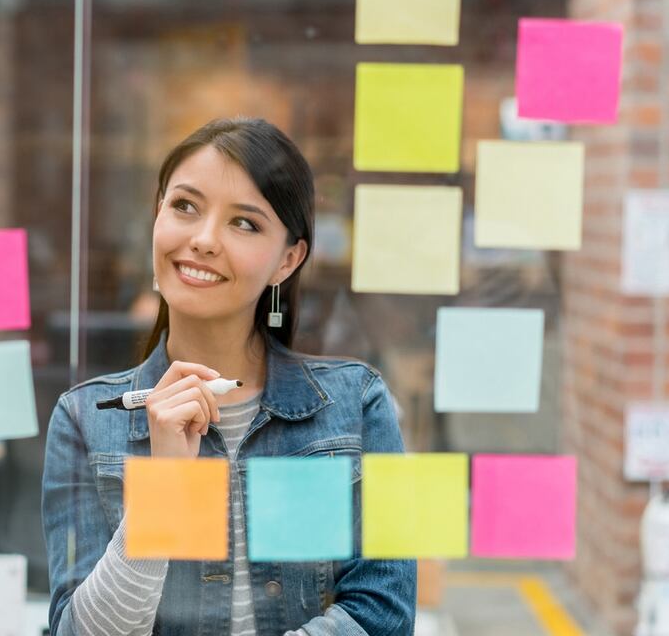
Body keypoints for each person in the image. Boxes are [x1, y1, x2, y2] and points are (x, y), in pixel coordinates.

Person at [42, 118, 417, 636]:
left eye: (244, 223)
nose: (202, 240)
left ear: (288, 260)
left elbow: (384, 615)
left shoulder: (356, 405)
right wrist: (164, 490)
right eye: (185, 206)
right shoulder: (86, 420)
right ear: (157, 216)